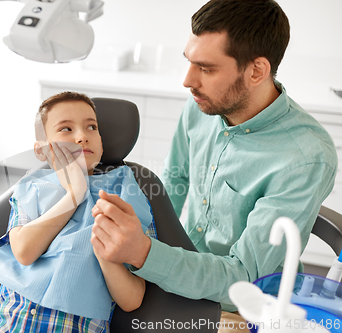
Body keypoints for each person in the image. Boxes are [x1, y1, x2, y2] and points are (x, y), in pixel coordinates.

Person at [90, 1, 338, 332]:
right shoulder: (203, 106)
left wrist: (145, 253)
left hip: (237, 306)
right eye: (190, 62)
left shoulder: (304, 156)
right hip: (169, 269)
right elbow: (174, 179)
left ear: (256, 71)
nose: (188, 80)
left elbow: (245, 278)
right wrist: (143, 235)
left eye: (206, 69)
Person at [0, 91, 157, 333]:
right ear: (42, 151)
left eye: (91, 127)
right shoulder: (31, 188)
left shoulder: (129, 196)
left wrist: (104, 251)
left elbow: (132, 299)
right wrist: (74, 195)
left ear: (102, 141)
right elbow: (24, 252)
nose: (82, 137)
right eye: (66, 129)